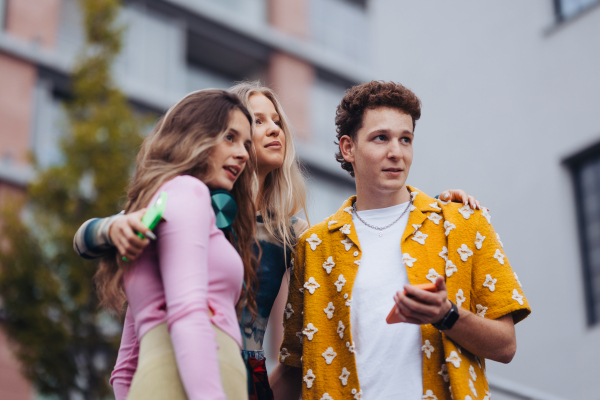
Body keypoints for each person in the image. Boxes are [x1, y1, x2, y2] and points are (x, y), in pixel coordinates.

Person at [74, 81, 481, 399]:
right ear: (220, 133)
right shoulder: (191, 200)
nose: (271, 129)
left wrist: (437, 207)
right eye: (256, 121)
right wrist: (109, 227)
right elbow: (97, 241)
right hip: (181, 364)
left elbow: (355, 250)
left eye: (276, 121)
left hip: (248, 375)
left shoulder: (291, 234)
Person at [273, 81, 530, 400]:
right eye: (381, 138)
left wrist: (446, 315)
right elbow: (293, 366)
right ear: (348, 148)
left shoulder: (462, 222)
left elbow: (505, 346)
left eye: (405, 139)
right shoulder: (313, 247)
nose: (396, 152)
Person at [93, 89, 258, 400]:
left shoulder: (165, 205)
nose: (244, 153)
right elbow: (187, 311)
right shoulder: (188, 191)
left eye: (246, 144)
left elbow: (125, 367)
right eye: (230, 138)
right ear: (195, 137)